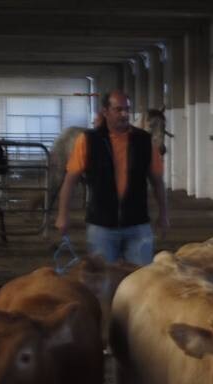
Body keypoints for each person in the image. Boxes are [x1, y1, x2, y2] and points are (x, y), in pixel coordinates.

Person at [55, 89, 168, 265]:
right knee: (103, 283)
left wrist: (163, 214)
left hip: (138, 225)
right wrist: (63, 214)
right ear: (106, 112)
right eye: (118, 109)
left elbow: (157, 181)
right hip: (101, 226)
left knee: (139, 279)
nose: (124, 114)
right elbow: (70, 181)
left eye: (127, 109)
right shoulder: (88, 140)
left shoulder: (144, 141)